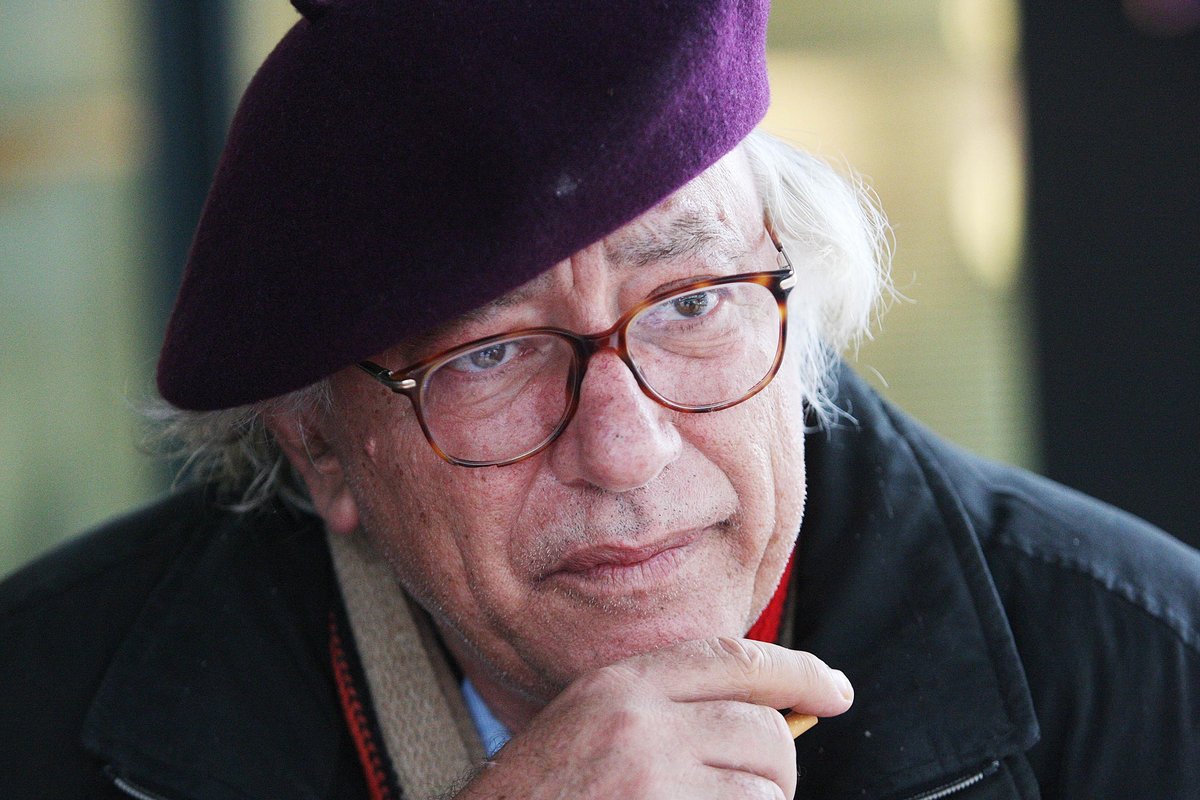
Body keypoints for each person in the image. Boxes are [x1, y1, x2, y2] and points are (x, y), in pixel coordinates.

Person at [2, 1, 1197, 798]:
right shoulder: (34, 710)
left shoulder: (1154, 674)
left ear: (795, 305)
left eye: (692, 302)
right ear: (320, 445)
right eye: (490, 355)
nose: (624, 448)